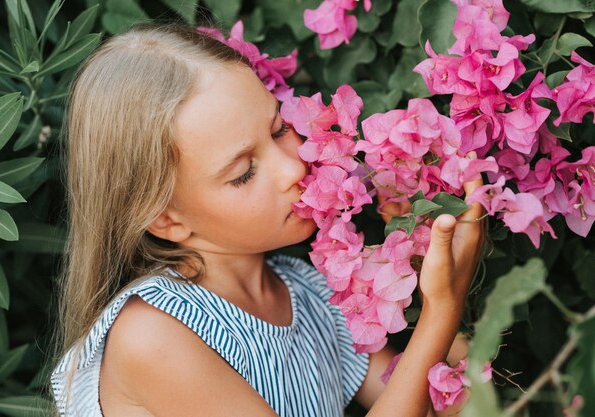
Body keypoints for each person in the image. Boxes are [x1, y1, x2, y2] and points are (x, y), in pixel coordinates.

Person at [49, 21, 484, 417]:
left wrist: (429, 253)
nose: (293, 168)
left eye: (278, 130)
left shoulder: (309, 293)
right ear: (166, 220)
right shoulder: (153, 335)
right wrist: (443, 306)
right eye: (244, 173)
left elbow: (432, 406)